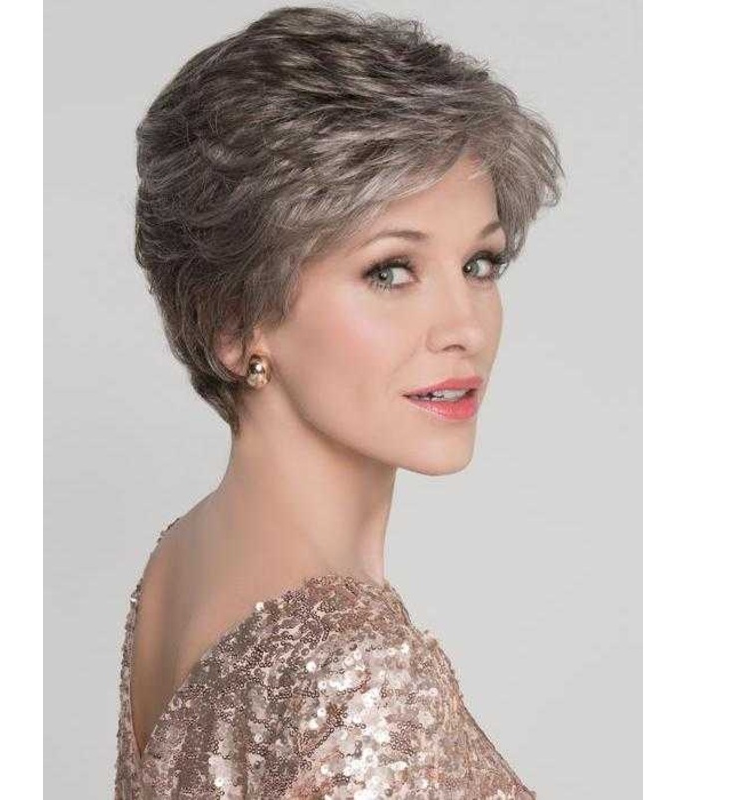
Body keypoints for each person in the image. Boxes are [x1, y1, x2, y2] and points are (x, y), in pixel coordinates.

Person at [114, 5, 564, 798]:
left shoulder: (181, 561)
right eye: (390, 271)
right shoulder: (364, 674)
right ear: (234, 322)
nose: (465, 326)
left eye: (480, 264)